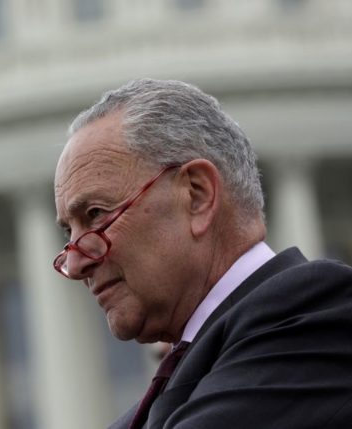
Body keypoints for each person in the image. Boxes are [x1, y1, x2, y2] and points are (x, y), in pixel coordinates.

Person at [52, 78, 352, 428]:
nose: (75, 264)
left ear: (196, 195)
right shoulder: (179, 384)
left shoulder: (314, 316)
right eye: (67, 234)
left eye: (96, 215)